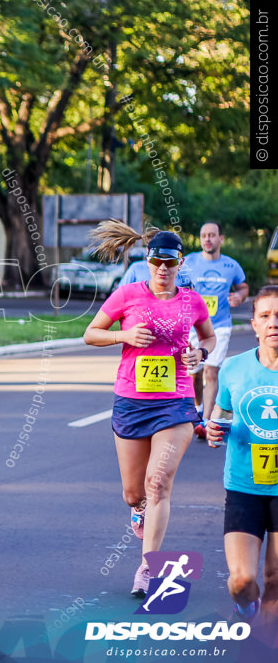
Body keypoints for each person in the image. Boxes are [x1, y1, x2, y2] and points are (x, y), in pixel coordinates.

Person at [83, 227, 216, 596]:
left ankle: (147, 568)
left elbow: (208, 337)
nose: (161, 267)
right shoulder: (127, 294)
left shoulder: (192, 301)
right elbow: (90, 333)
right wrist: (121, 336)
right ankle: (138, 509)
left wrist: (200, 355)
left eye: (169, 262)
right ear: (148, 260)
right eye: (156, 260)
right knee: (133, 492)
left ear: (180, 263)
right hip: (132, 400)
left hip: (175, 402)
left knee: (157, 484)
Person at [206, 286, 278, 626]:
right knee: (242, 581)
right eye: (265, 316)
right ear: (254, 324)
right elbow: (220, 416)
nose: (273, 323)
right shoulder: (233, 368)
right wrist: (213, 430)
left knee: (275, 581)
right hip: (244, 487)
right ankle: (246, 608)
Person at [183, 222, 249, 438]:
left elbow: (243, 286)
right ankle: (199, 407)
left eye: (212, 235)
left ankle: (206, 420)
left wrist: (239, 296)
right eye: (203, 235)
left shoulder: (231, 266)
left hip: (219, 326)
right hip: (194, 325)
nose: (207, 239)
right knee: (195, 373)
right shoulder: (189, 262)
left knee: (211, 371)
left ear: (221, 238)